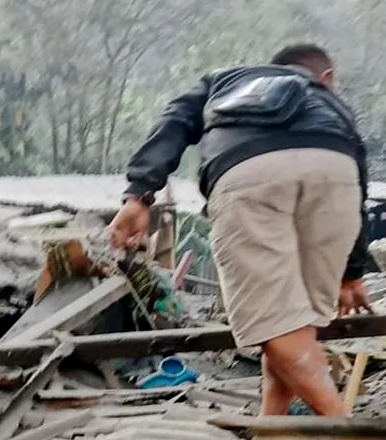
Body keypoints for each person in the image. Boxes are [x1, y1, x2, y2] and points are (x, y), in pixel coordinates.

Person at [108, 43, 371, 417]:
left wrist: (139, 193)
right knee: (295, 326)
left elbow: (176, 120)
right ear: (325, 77)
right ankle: (272, 429)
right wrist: (353, 271)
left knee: (277, 326)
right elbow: (360, 177)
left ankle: (343, 430)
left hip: (249, 171)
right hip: (335, 172)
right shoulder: (329, 102)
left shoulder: (225, 80)